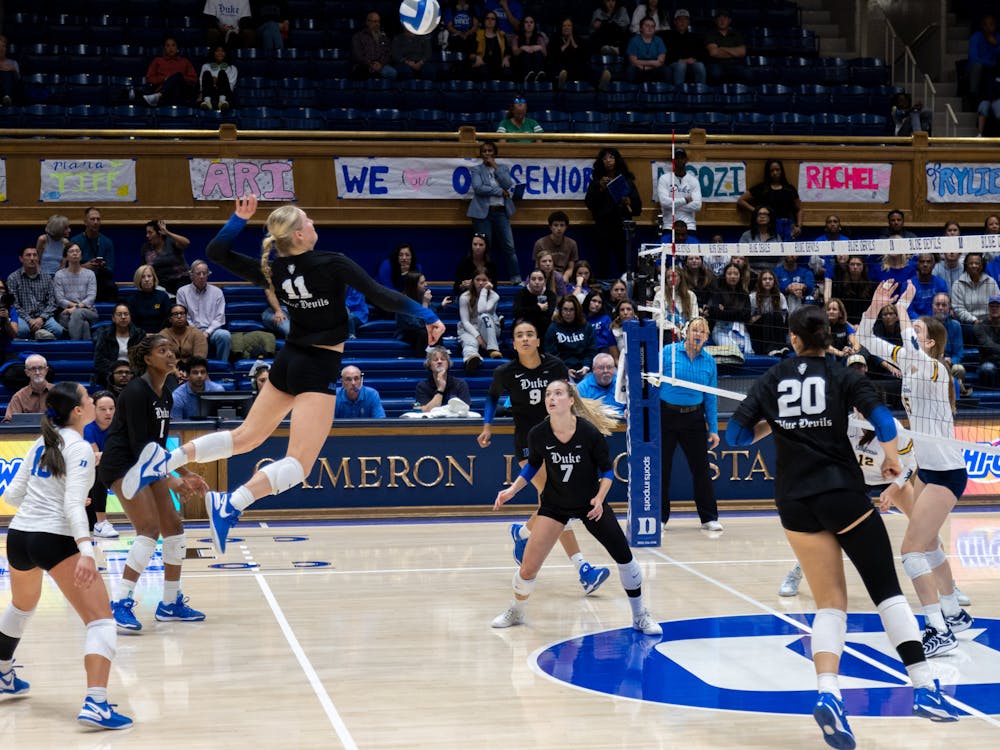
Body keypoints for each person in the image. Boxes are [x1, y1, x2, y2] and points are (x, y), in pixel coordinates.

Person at [128, 196, 444, 554]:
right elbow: (380, 295)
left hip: (288, 359)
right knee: (299, 463)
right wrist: (427, 314)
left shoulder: (273, 270)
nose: (314, 224)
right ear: (297, 234)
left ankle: (167, 460)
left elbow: (216, 252)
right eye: (308, 220)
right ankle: (231, 503)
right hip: (318, 365)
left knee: (245, 436)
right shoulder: (332, 262)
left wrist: (238, 218)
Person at [728, 305, 958, 747]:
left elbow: (737, 437)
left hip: (794, 502)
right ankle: (925, 686)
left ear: (793, 338)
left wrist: (774, 425)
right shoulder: (842, 374)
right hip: (840, 493)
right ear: (827, 338)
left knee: (830, 603)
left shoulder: (772, 378)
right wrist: (892, 459)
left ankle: (829, 694)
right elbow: (885, 421)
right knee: (886, 590)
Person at [0, 381, 133, 729]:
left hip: (19, 536)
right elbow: (74, 505)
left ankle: (2, 675)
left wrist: (59, 499)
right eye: (88, 399)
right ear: (78, 410)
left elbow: (13, 496)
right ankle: (97, 703)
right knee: (102, 620)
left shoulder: (39, 444)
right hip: (54, 539)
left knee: (20, 607)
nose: (93, 401)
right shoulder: (81, 447)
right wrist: (86, 550)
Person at [858, 280, 975, 659]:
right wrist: (876, 308)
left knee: (911, 550)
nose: (911, 332)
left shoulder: (937, 370)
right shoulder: (910, 362)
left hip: (948, 472)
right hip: (927, 469)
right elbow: (865, 338)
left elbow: (912, 352)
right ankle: (955, 614)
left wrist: (907, 312)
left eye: (919, 333)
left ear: (929, 344)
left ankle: (937, 629)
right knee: (928, 544)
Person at [491, 379, 661, 634]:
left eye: (558, 393)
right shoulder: (538, 433)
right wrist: (512, 490)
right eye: (548, 394)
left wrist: (600, 498)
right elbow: (532, 466)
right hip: (554, 505)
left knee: (624, 557)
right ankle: (516, 610)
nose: (551, 398)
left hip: (590, 503)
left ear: (570, 400)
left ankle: (640, 615)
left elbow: (606, 470)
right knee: (527, 568)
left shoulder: (588, 433)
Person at [480, 320, 610, 594]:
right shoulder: (506, 372)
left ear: (538, 340)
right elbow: (492, 398)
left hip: (559, 442)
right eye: (519, 336)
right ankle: (583, 570)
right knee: (558, 501)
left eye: (530, 334)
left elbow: (569, 398)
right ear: (514, 344)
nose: (525, 339)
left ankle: (524, 533)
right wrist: (487, 426)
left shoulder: (555, 367)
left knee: (553, 504)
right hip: (530, 447)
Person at [102, 335, 209, 631]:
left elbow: (159, 445)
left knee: (174, 526)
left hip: (146, 461)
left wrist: (185, 473)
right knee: (148, 529)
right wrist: (174, 479)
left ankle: (170, 603)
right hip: (123, 464)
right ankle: (120, 602)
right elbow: (141, 448)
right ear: (147, 359)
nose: (171, 355)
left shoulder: (167, 394)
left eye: (172, 350)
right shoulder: (136, 392)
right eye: (163, 351)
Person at [659, 317, 722, 531]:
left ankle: (709, 518)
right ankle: (659, 518)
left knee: (701, 470)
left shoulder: (709, 361)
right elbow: (652, 383)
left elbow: (711, 398)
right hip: (665, 415)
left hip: (694, 418)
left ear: (706, 337)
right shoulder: (668, 352)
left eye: (702, 332)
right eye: (695, 329)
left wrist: (713, 429)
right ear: (686, 332)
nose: (698, 334)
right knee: (662, 468)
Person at [467, 141, 521, 283]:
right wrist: (499, 192)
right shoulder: (476, 169)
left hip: (501, 212)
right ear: (481, 154)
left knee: (509, 246)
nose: (487, 154)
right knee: (484, 248)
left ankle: (516, 278)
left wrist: (495, 167)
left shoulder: (502, 168)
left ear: (495, 153)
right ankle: (483, 279)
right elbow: (478, 188)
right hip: (482, 214)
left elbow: (508, 184)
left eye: (490, 151)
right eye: (484, 151)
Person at [584, 147, 642, 280]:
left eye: (611, 157)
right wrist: (600, 189)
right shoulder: (596, 182)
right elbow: (590, 204)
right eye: (604, 158)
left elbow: (638, 208)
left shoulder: (626, 181)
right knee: (602, 261)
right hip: (603, 227)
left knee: (624, 262)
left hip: (622, 227)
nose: (608, 161)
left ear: (617, 160)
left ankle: (626, 288)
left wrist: (629, 201)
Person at [177, 259, 232, 362]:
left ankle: (222, 367)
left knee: (225, 335)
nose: (202, 276)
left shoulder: (217, 292)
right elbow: (184, 317)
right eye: (198, 273)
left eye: (204, 273)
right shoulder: (182, 292)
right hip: (190, 330)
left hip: (212, 331)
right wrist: (197, 332)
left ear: (208, 274)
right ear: (191, 275)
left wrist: (207, 332)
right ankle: (192, 369)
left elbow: (220, 317)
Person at [7, 246, 64, 340]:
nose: (32, 258)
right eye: (28, 255)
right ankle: (39, 333)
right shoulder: (13, 278)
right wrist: (29, 320)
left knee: (58, 330)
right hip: (23, 317)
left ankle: (39, 333)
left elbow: (52, 303)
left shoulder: (47, 278)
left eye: (35, 255)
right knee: (22, 331)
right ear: (21, 258)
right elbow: (14, 304)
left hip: (43, 316)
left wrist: (41, 318)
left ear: (38, 258)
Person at [738, 159, 802, 240]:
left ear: (781, 171)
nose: (775, 173)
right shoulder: (762, 188)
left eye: (777, 170)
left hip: (788, 227)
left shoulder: (790, 189)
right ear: (768, 173)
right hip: (769, 226)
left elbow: (799, 209)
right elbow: (741, 201)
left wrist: (799, 226)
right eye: (772, 170)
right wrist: (757, 211)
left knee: (788, 251)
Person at [85, 390, 119, 539]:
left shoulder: (120, 427)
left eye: (111, 409)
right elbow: (95, 459)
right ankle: (101, 523)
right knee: (99, 470)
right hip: (83, 478)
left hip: (112, 467)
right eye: (103, 409)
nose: (108, 413)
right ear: (94, 410)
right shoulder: (88, 427)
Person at [69, 206, 117, 302]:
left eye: (98, 219)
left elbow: (111, 269)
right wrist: (85, 266)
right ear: (85, 222)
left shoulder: (107, 242)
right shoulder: (75, 241)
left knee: (112, 288)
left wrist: (102, 267)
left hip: (101, 280)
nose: (96, 222)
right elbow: (69, 268)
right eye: (92, 219)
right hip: (80, 281)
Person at [458, 270, 502, 372]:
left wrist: (484, 291)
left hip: (489, 328)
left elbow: (482, 310)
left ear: (489, 281)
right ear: (473, 281)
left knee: (484, 316)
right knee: (470, 342)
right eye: (478, 280)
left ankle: (493, 349)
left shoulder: (494, 296)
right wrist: (477, 337)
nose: (481, 283)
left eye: (484, 280)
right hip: (470, 327)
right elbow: (465, 321)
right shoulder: (464, 297)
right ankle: (472, 358)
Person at [545, 295, 597, 381]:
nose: (568, 313)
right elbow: (551, 355)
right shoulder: (553, 328)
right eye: (565, 309)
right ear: (560, 310)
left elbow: (591, 350)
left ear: (577, 311)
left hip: (585, 369)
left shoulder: (586, 327)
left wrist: (586, 366)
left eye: (571, 310)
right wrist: (566, 369)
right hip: (562, 371)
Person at [951, 252, 999, 343]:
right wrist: (974, 320)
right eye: (971, 263)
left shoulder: (991, 281)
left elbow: (997, 302)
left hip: (990, 320)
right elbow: (958, 309)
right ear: (966, 265)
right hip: (969, 324)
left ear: (982, 265)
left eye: (977, 263)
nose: (974, 266)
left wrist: (990, 318)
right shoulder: (958, 284)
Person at [397, 271, 449, 356]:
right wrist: (425, 304)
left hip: (422, 329)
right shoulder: (403, 302)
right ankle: (424, 360)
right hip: (408, 332)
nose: (425, 284)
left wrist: (441, 305)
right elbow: (418, 324)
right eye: (422, 283)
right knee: (423, 334)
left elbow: (432, 313)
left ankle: (441, 356)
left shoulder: (421, 296)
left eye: (425, 281)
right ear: (413, 286)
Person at [54, 243, 98, 341]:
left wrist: (76, 308)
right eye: (71, 251)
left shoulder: (90, 274)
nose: (75, 253)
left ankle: (74, 344)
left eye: (77, 251)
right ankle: (85, 350)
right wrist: (76, 307)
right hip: (66, 312)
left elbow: (91, 297)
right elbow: (60, 299)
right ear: (66, 256)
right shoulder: (59, 275)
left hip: (89, 312)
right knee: (84, 324)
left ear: (81, 255)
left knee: (78, 313)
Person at [95, 304, 144, 388]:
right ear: (113, 318)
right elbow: (99, 360)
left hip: (133, 374)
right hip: (110, 374)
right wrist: (117, 372)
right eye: (119, 314)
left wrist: (130, 373)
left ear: (130, 317)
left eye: (126, 314)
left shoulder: (139, 334)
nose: (123, 317)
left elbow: (143, 359)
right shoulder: (105, 334)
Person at [708, 263, 752, 354]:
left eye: (736, 274)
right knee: (732, 352)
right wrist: (738, 311)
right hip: (721, 329)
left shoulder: (744, 294)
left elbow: (746, 315)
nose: (733, 276)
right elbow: (716, 313)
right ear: (725, 275)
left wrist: (726, 310)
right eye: (729, 273)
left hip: (741, 329)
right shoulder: (718, 292)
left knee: (748, 352)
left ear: (740, 276)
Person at [657, 147, 702, 232]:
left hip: (689, 226)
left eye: (682, 158)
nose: (679, 160)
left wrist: (672, 205)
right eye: (677, 158)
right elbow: (664, 203)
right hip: (669, 226)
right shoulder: (664, 179)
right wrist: (685, 200)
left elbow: (697, 206)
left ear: (686, 160)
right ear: (673, 161)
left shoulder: (693, 180)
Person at [143, 37, 198, 107]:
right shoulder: (157, 61)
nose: (170, 48)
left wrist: (178, 78)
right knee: (176, 77)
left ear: (177, 48)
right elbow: (149, 78)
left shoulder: (185, 61)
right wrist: (164, 79)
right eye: (168, 46)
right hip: (164, 94)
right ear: (164, 48)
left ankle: (159, 95)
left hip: (181, 92)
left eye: (173, 45)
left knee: (178, 76)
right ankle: (160, 95)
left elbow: (194, 79)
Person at [415, 346, 472, 413]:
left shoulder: (460, 384)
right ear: (429, 365)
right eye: (435, 360)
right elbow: (426, 411)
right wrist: (440, 389)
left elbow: (464, 410)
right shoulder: (422, 386)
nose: (439, 362)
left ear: (448, 363)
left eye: (443, 359)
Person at [143, 219, 192, 295]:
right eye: (147, 233)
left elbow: (186, 243)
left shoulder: (171, 242)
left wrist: (167, 233)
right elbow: (145, 268)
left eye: (150, 232)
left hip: (181, 280)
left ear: (159, 233)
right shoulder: (146, 248)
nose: (147, 235)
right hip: (161, 283)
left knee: (181, 293)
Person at [749, 269, 788, 357]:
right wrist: (761, 316)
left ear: (774, 282)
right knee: (768, 316)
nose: (767, 281)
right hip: (757, 329)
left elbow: (784, 318)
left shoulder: (780, 296)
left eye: (770, 279)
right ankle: (769, 348)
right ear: (760, 281)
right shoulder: (752, 297)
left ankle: (782, 346)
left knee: (776, 314)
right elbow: (749, 320)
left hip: (775, 327)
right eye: (764, 279)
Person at [3, 354, 52, 422]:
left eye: (40, 368)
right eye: (33, 369)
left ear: (46, 370)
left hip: (53, 432)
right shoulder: (19, 397)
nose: (37, 372)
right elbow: (8, 422)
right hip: (28, 432)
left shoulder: (58, 392)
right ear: (27, 372)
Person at [703, 8, 746, 84]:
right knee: (716, 74)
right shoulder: (710, 34)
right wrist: (734, 52)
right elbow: (713, 52)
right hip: (716, 64)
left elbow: (742, 52)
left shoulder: (736, 34)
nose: (722, 21)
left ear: (729, 21)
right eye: (719, 18)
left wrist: (722, 48)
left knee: (747, 74)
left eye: (725, 18)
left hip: (734, 64)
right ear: (716, 21)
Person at [159, 303, 209, 367]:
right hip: (169, 370)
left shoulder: (197, 334)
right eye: (175, 314)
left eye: (182, 313)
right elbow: (161, 359)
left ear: (186, 317)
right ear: (170, 319)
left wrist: (187, 370)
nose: (179, 316)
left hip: (192, 370)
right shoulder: (163, 335)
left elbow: (200, 358)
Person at [665, 8, 706, 85]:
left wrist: (695, 59)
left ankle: (700, 91)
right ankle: (679, 92)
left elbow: (703, 53)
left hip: (692, 62)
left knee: (700, 65)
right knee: (681, 65)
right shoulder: (668, 36)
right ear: (675, 22)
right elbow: (666, 55)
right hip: (675, 62)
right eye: (680, 19)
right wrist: (681, 60)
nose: (682, 22)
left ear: (688, 22)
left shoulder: (695, 37)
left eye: (685, 19)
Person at [351, 11, 396, 80]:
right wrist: (370, 64)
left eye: (378, 22)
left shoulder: (383, 37)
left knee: (392, 73)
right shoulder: (358, 36)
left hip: (381, 65)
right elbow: (358, 55)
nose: (377, 24)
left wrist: (381, 64)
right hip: (364, 65)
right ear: (367, 22)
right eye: (374, 22)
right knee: (360, 73)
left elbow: (388, 53)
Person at [128, 265, 172, 335]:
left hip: (161, 335)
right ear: (138, 280)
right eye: (143, 277)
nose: (146, 279)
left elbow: (168, 319)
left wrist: (159, 334)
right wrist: (142, 334)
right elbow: (131, 323)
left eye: (149, 276)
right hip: (139, 336)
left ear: (154, 278)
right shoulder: (133, 299)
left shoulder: (163, 296)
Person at [512, 269, 556, 340]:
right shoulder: (521, 294)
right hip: (525, 328)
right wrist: (538, 308)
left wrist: (528, 313)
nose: (537, 282)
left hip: (544, 330)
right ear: (529, 281)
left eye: (540, 279)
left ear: (545, 281)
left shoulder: (550, 295)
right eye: (533, 279)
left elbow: (548, 315)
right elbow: (516, 312)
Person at [547, 17, 588, 88]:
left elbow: (583, 56)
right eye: (564, 26)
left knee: (583, 67)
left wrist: (572, 41)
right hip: (560, 66)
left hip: (574, 68)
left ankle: (600, 83)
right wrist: (566, 44)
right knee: (558, 68)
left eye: (569, 26)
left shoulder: (578, 39)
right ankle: (561, 82)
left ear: (572, 27)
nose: (566, 28)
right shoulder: (555, 38)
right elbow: (553, 55)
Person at [626, 17, 668, 83]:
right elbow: (633, 61)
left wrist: (646, 67)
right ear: (641, 28)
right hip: (639, 68)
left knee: (666, 69)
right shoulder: (634, 40)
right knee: (631, 69)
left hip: (654, 69)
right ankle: (632, 91)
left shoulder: (659, 40)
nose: (650, 28)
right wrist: (651, 63)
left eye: (652, 26)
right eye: (647, 25)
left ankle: (664, 91)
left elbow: (661, 61)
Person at [967, 13, 999, 101]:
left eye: (991, 24)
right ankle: (973, 97)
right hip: (978, 68)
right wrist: (992, 63)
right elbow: (973, 58)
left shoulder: (998, 37)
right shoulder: (976, 37)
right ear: (982, 26)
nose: (988, 27)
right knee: (978, 66)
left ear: (995, 26)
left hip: (993, 70)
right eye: (985, 24)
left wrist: (996, 45)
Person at [471, 11, 511, 80]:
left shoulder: (501, 36)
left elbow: (508, 52)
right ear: (484, 20)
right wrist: (476, 57)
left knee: (508, 72)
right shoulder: (477, 35)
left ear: (496, 22)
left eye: (493, 19)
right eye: (487, 18)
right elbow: (470, 54)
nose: (490, 21)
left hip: (498, 67)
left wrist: (506, 58)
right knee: (483, 71)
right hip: (482, 66)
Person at [833, 256, 874, 323]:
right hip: (845, 323)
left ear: (863, 266)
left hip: (865, 322)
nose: (855, 267)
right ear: (848, 266)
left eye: (858, 264)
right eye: (852, 264)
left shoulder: (870, 286)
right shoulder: (840, 284)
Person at [198, 45, 238, 112]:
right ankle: (207, 102)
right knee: (207, 73)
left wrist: (218, 81)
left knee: (222, 73)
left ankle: (222, 102)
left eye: (222, 51)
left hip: (226, 94)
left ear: (226, 53)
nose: (220, 53)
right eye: (217, 51)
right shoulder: (206, 66)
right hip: (210, 92)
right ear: (213, 53)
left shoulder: (232, 68)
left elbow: (231, 86)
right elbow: (202, 83)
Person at [973, 295, 1000, 389]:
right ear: (988, 308)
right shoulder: (979, 326)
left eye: (997, 306)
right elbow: (988, 346)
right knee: (987, 368)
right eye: (992, 306)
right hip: (987, 361)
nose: (994, 309)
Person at [909, 254, 949, 318]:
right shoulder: (908, 284)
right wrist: (923, 321)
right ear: (917, 264)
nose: (925, 264)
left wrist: (932, 322)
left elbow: (945, 306)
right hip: (916, 322)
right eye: (922, 262)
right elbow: (909, 310)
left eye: (928, 262)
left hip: (937, 321)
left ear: (934, 265)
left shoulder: (941, 283)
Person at [510, 16, 547, 83]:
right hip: (521, 65)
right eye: (526, 22)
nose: (529, 24)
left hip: (536, 64)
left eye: (531, 22)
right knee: (525, 54)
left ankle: (539, 75)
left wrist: (539, 47)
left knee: (537, 53)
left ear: (534, 24)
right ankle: (528, 75)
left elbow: (545, 54)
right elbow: (514, 53)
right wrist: (522, 48)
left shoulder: (539, 38)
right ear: (522, 24)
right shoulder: (516, 37)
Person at [35, 214, 70, 278]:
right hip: (42, 276)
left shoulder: (65, 242)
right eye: (66, 228)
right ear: (58, 229)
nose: (69, 230)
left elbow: (63, 265)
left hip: (58, 277)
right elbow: (36, 261)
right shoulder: (43, 239)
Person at [585, 290, 616, 357]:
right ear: (588, 301)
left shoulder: (605, 319)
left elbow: (609, 340)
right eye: (594, 301)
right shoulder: (581, 318)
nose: (597, 304)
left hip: (602, 351)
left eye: (600, 302)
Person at [0, 34, 21, 106]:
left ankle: (7, 97)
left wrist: (13, 70)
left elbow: (18, 80)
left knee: (8, 73)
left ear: (6, 48)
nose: (1, 49)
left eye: (3, 46)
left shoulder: (13, 62)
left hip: (12, 92)